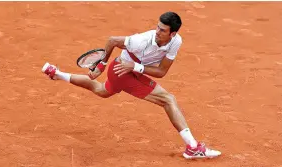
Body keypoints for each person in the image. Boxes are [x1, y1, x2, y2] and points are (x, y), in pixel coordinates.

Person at [42, 11, 221, 159]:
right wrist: (102, 65)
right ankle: (192, 146)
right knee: (168, 100)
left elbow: (161, 71)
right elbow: (112, 40)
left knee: (102, 90)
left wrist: (135, 66)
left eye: (162, 30)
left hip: (131, 69)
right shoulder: (141, 40)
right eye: (157, 27)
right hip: (121, 70)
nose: (157, 31)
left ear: (172, 34)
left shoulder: (176, 42)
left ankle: (57, 74)